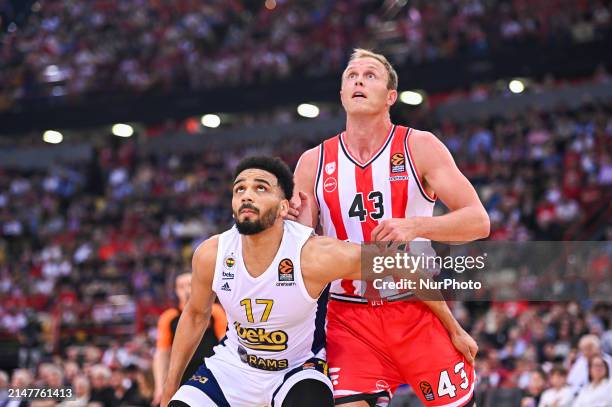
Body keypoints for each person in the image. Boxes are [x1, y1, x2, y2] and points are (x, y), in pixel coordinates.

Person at [292, 48, 489, 406]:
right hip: (347, 318)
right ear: (341, 95)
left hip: (416, 307)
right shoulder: (313, 161)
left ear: (390, 96)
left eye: (370, 75)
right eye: (351, 76)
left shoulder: (420, 146)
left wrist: (415, 226)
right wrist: (291, 225)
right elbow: (300, 245)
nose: (359, 81)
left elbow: (479, 221)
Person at [161, 156, 380, 407]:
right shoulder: (212, 253)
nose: (247, 195)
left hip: (297, 369)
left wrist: (437, 311)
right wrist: (170, 386)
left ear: (284, 208)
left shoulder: (312, 254)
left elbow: (407, 264)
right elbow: (195, 315)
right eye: (239, 188)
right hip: (234, 367)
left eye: (260, 188)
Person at [152, 272, 227, 405]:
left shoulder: (215, 311)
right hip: (182, 373)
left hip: (210, 372)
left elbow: (225, 343)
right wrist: (159, 386)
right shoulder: (169, 317)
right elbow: (161, 353)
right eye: (181, 287)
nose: (186, 290)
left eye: (189, 285)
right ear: (176, 291)